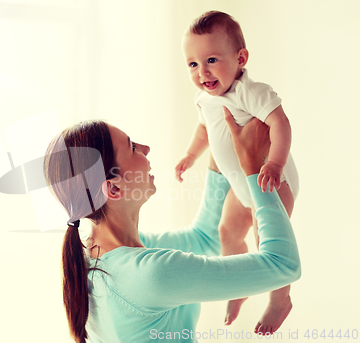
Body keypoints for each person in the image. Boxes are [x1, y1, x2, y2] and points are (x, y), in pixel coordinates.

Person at [43, 111, 300, 343]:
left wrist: (221, 142)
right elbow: (282, 265)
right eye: (132, 147)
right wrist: (254, 168)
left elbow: (204, 238)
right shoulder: (151, 274)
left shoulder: (100, 256)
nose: (145, 148)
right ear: (114, 188)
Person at [174, 11, 299, 334]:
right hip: (239, 186)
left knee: (267, 240)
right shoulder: (204, 97)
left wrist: (274, 163)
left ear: (240, 58)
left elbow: (280, 123)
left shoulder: (250, 91)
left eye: (211, 60)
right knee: (226, 232)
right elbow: (205, 130)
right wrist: (190, 155)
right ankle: (239, 287)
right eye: (192, 64)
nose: (202, 72)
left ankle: (280, 299)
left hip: (271, 181)